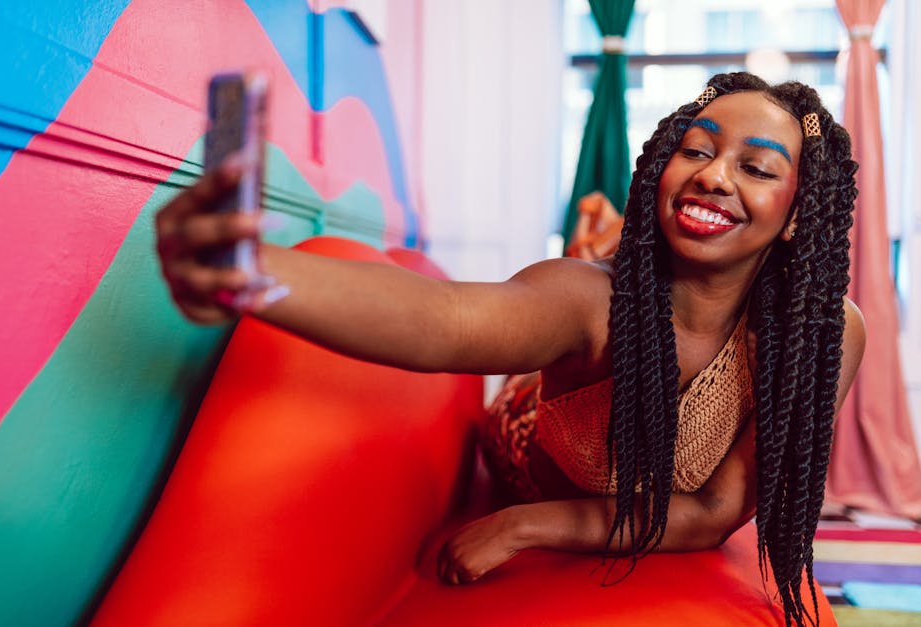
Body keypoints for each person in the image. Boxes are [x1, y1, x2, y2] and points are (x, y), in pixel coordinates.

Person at [156, 72, 865, 626]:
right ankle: (599, 237)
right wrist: (253, 273)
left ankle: (598, 228)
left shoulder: (822, 333)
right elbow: (451, 319)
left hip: (564, 487)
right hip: (525, 421)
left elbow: (715, 512)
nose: (714, 176)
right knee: (572, 288)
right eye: (698, 150)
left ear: (800, 214)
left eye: (758, 168)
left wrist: (526, 525)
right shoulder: (589, 302)